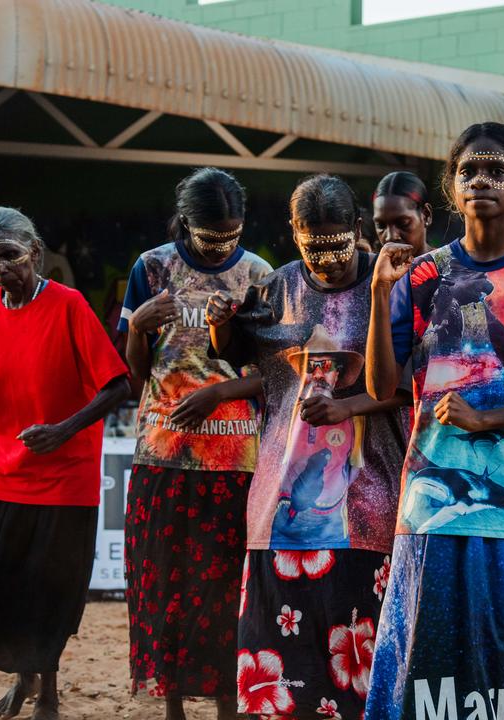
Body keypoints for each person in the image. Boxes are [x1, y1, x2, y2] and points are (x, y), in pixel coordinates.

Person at [362, 122, 504, 719]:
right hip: (432, 502)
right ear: (452, 185)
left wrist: (492, 418)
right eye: (468, 171)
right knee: (430, 669)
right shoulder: (420, 276)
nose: (482, 182)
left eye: (497, 170)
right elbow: (381, 388)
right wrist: (376, 295)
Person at [207, 174, 410, 720]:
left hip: (370, 500)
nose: (325, 260)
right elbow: (238, 354)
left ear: (357, 230)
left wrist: (349, 406)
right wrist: (218, 328)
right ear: (294, 234)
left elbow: (416, 382)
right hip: (281, 504)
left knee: (360, 658)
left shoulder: (390, 282)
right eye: (311, 245)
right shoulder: (278, 287)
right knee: (283, 656)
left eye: (336, 244)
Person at [0, 207, 130, 720]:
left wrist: (63, 429)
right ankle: (24, 683)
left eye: (10, 257)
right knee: (7, 592)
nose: (2, 270)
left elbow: (117, 385)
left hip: (66, 477)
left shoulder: (69, 305)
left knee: (49, 594)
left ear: (35, 253)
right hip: (5, 473)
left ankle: (50, 695)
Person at [119, 168, 272, 720]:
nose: (222, 246)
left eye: (232, 234)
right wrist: (137, 327)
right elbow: (135, 377)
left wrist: (220, 393)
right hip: (162, 453)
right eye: (211, 236)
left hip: (234, 457)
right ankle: (175, 707)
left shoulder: (258, 275)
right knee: (165, 585)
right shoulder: (152, 267)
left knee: (227, 588)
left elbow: (276, 373)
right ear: (187, 224)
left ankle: (230, 704)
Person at [372, 171, 433, 256]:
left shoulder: (451, 266)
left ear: (426, 215)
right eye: (380, 225)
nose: (390, 236)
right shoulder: (370, 267)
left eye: (403, 223)